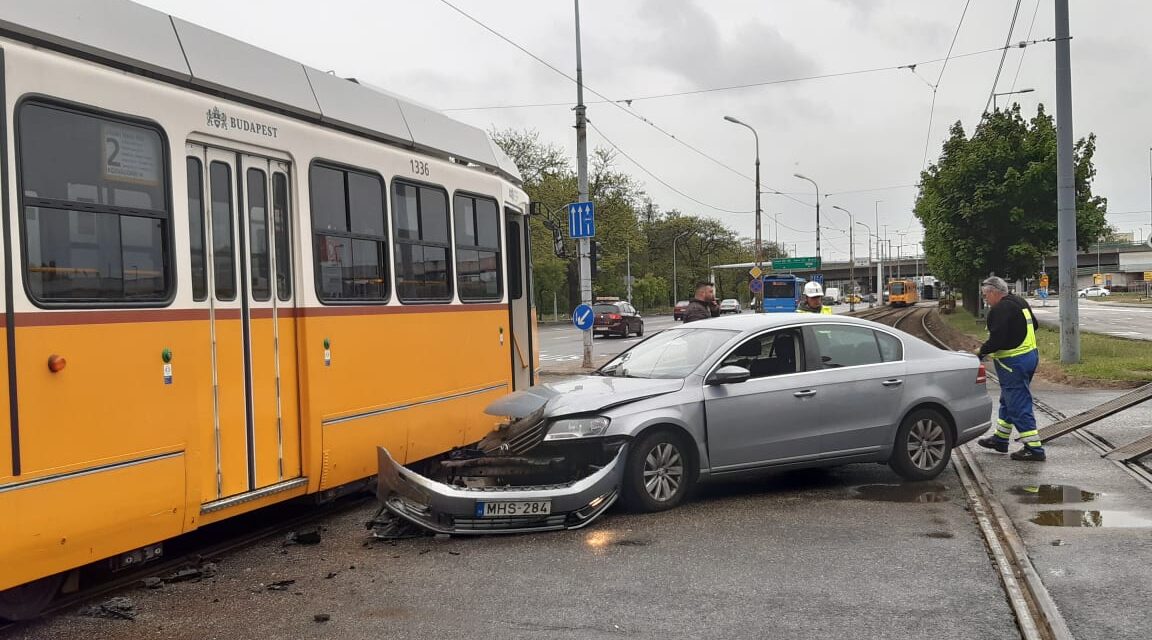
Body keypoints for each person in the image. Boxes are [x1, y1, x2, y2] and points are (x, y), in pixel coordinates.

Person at [975, 276, 1045, 461]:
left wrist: (980, 352)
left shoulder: (1000, 309)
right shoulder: (1019, 302)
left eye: (985, 295)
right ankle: (1000, 439)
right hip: (1030, 356)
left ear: (993, 292)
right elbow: (1035, 325)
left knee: (1018, 403)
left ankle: (1034, 448)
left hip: (1013, 362)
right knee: (1008, 400)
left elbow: (996, 340)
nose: (985, 300)